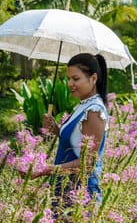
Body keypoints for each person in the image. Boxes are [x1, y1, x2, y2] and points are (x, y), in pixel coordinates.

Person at [31, 53, 109, 211]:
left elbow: (87, 163)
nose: (70, 84)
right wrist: (57, 129)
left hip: (80, 197)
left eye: (76, 79)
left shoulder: (93, 111)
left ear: (93, 78)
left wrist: (45, 169)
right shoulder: (83, 105)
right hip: (67, 189)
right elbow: (76, 143)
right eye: (68, 79)